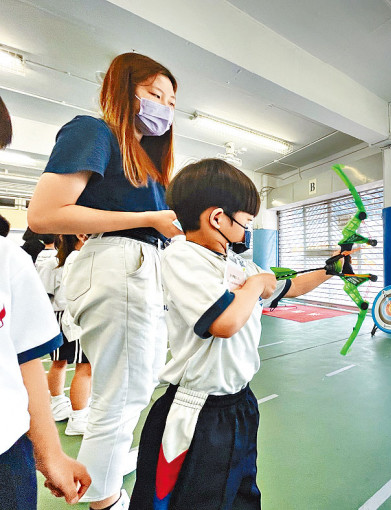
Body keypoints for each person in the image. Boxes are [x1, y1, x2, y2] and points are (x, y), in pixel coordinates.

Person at [129, 159, 334, 510]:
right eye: (247, 222)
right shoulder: (183, 256)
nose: (248, 231)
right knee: (192, 501)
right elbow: (224, 323)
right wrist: (255, 285)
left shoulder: (238, 264)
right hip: (199, 412)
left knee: (241, 495)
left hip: (240, 403)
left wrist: (331, 270)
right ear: (217, 217)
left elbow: (291, 286)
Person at [27, 53, 181, 510]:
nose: (165, 107)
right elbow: (44, 214)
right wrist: (148, 216)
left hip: (139, 268)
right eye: (155, 95)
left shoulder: (147, 163)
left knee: (133, 388)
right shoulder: (94, 131)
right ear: (124, 89)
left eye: (172, 101)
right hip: (119, 264)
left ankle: (104, 481)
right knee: (121, 395)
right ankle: (104, 499)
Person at [1, 94, 91, 507]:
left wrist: (49, 452)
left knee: (59, 363)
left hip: (6, 456)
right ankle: (74, 411)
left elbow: (23, 360)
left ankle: (65, 410)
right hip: (67, 315)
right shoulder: (56, 261)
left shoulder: (9, 261)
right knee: (75, 366)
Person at [44, 234, 92, 436]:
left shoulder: (52, 262)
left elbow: (44, 294)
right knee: (85, 367)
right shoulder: (83, 260)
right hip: (74, 317)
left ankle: (57, 404)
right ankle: (79, 417)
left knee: (59, 362)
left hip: (56, 317)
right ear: (81, 237)